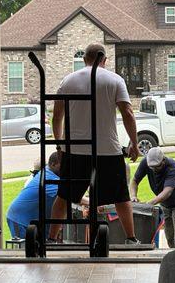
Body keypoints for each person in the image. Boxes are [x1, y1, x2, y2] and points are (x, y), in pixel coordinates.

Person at [48, 43, 141, 244]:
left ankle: (51, 238)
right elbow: (128, 112)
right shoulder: (115, 79)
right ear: (104, 60)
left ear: (84, 59)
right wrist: (134, 143)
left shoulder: (68, 81)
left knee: (64, 195)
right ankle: (131, 239)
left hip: (74, 149)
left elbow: (56, 117)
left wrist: (60, 146)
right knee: (121, 196)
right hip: (107, 149)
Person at [130, 146, 175, 248]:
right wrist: (133, 196)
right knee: (169, 233)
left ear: (163, 161)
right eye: (152, 167)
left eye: (157, 166)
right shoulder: (145, 162)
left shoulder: (172, 167)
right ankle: (172, 253)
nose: (154, 169)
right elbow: (134, 181)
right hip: (165, 201)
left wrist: (149, 203)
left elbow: (167, 192)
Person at [6, 152, 60, 239]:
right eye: (62, 165)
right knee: (25, 248)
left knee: (39, 247)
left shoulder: (48, 172)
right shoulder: (48, 178)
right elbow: (67, 195)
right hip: (19, 218)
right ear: (53, 164)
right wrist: (89, 201)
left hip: (33, 220)